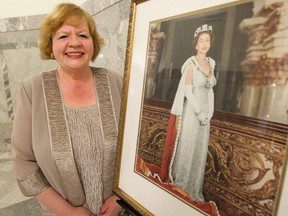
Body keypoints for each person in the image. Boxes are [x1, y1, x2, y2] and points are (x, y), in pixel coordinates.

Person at [11, 3, 123, 216]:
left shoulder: (115, 83)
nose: (74, 43)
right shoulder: (32, 90)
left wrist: (120, 198)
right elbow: (23, 163)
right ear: (50, 44)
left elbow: (135, 151)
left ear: (93, 43)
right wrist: (69, 212)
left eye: (82, 35)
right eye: (63, 36)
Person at [167, 24, 217, 202]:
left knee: (199, 150)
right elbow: (188, 91)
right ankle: (181, 187)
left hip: (205, 116)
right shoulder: (191, 64)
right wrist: (198, 112)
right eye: (201, 41)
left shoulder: (211, 63)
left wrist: (209, 113)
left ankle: (194, 189)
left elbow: (210, 90)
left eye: (207, 41)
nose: (204, 44)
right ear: (196, 44)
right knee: (188, 148)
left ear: (210, 44)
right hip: (192, 113)